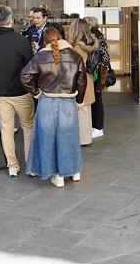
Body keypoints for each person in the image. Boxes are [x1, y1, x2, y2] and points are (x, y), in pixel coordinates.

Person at [20, 27, 87, 187]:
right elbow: (82, 81)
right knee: (69, 137)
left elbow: (25, 76)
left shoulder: (40, 56)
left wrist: (36, 92)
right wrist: (79, 100)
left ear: (45, 40)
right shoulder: (75, 55)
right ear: (61, 37)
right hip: (69, 102)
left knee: (49, 138)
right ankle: (74, 171)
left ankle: (57, 176)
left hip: (47, 102)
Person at [0, 6, 35, 177]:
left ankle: (12, 166)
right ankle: (31, 164)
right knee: (28, 127)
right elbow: (30, 67)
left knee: (6, 129)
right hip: (21, 92)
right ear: (11, 21)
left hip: (0, 93)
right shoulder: (21, 41)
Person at [69, 18, 99, 146]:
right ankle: (86, 137)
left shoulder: (78, 47)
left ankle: (83, 139)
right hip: (89, 79)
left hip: (80, 81)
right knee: (86, 110)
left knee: (81, 110)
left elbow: (73, 67)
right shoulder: (90, 43)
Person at [84, 16, 111, 138]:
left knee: (96, 99)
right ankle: (96, 126)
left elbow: (97, 56)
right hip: (101, 70)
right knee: (97, 98)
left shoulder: (92, 37)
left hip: (96, 72)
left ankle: (98, 127)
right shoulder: (100, 35)